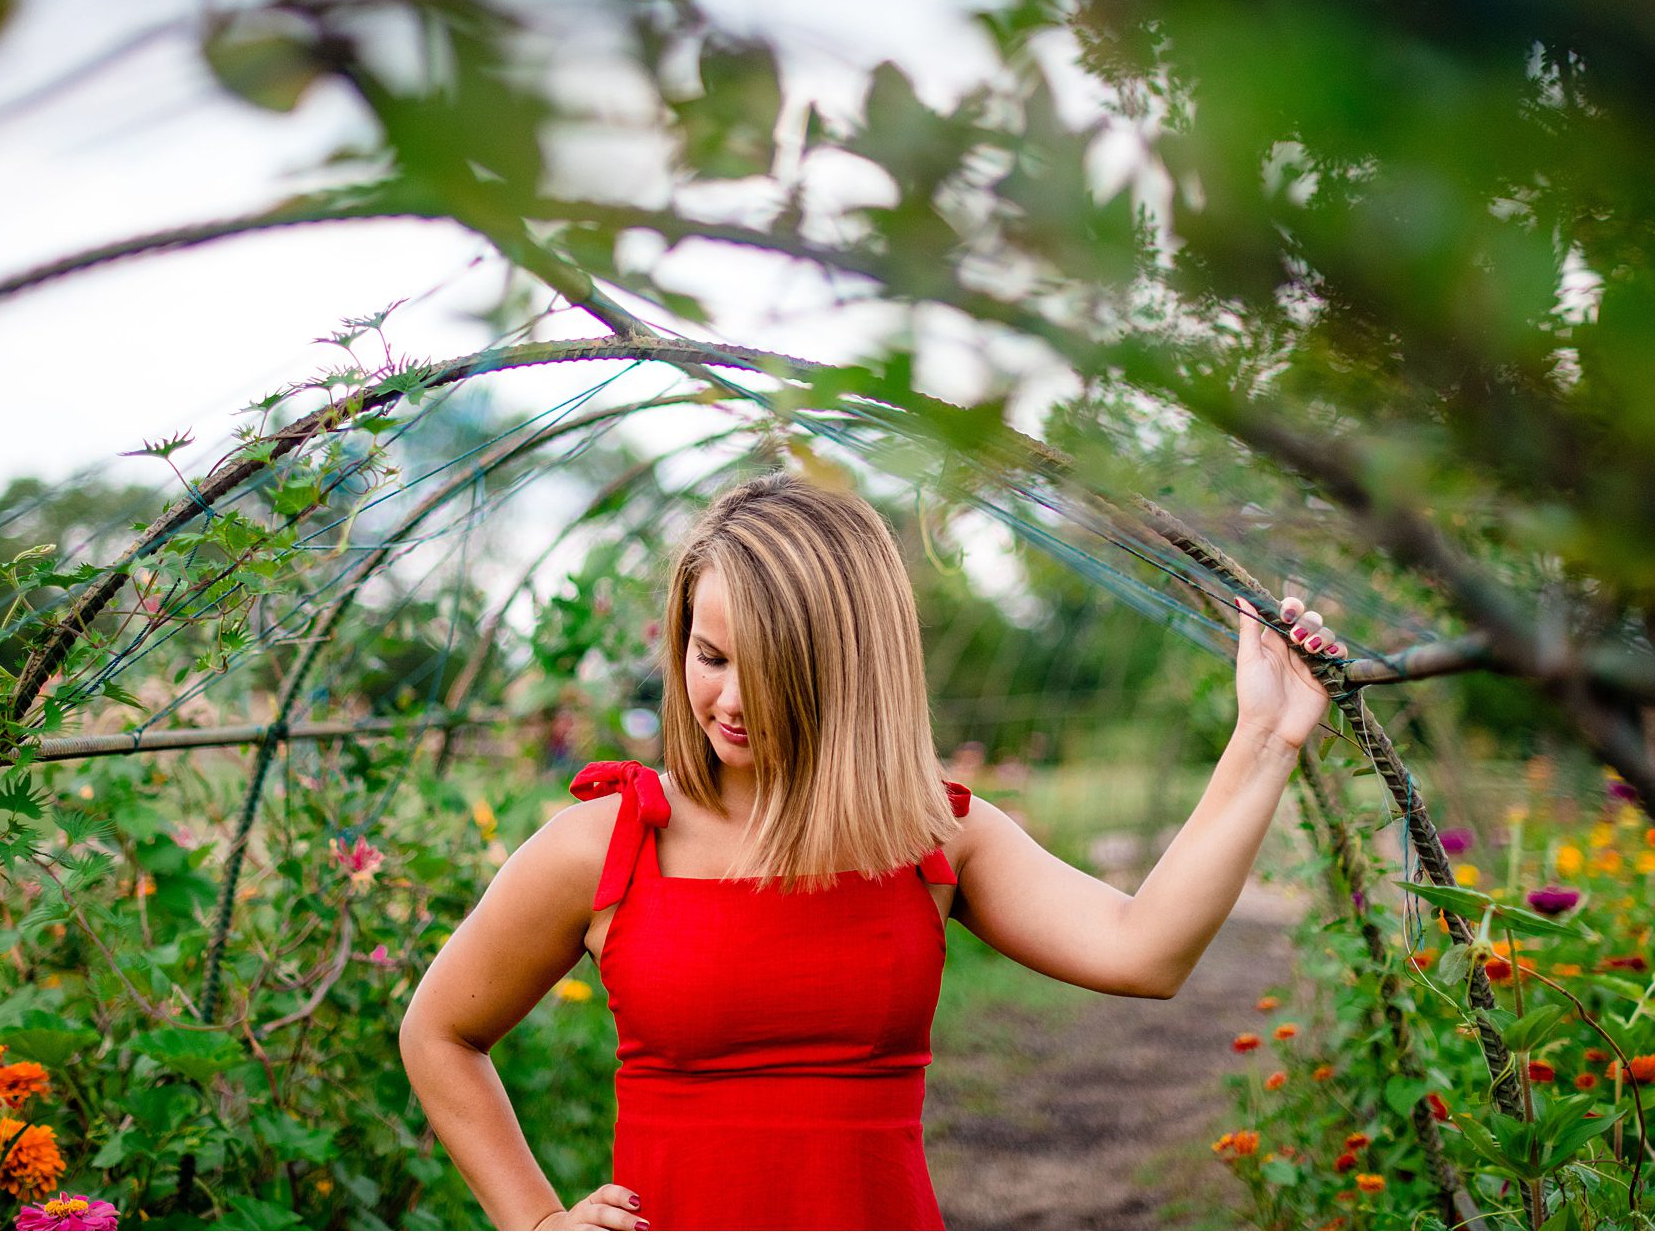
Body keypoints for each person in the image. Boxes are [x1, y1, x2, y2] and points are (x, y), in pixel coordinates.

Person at [398, 471, 1339, 1230]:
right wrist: (537, 1223)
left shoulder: (932, 838)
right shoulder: (606, 846)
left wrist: (1265, 735)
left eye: (766, 670)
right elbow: (438, 1031)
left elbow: (1144, 949)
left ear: (845, 668)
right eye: (709, 655)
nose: (727, 700)